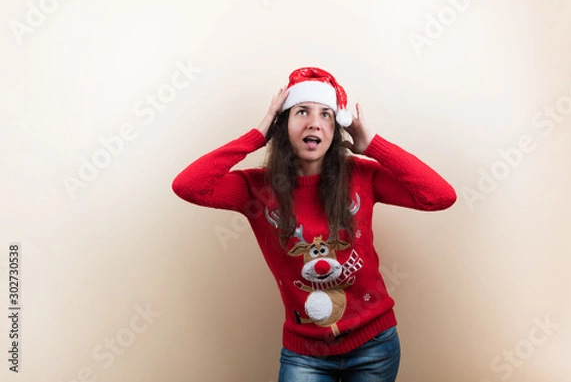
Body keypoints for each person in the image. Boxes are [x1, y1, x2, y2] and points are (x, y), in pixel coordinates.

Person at [172, 67, 457, 381]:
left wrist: (373, 145)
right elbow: (188, 185)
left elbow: (440, 196)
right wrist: (257, 135)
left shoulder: (361, 176)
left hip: (374, 346)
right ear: (283, 125)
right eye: (302, 112)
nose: (314, 123)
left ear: (336, 129)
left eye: (326, 115)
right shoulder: (256, 189)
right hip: (304, 356)